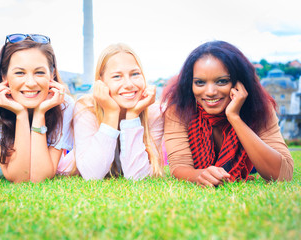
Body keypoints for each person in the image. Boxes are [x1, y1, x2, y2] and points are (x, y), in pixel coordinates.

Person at [163, 40, 294, 187]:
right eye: (200, 82)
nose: (210, 92)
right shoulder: (179, 110)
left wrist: (234, 117)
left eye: (221, 81)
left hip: (253, 165)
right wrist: (200, 175)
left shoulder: (259, 107)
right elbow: (179, 166)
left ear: (239, 82)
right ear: (190, 85)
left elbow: (284, 174)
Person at [0, 34, 74, 183]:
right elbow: (19, 177)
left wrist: (39, 114)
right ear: (4, 76)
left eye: (39, 72)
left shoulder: (64, 105)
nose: (30, 83)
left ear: (52, 74)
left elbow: (39, 177)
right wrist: (21, 115)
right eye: (19, 73)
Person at [62, 43, 164, 180]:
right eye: (117, 76)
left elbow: (138, 177)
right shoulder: (87, 107)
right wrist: (111, 113)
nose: (129, 84)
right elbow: (92, 175)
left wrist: (132, 116)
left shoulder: (153, 112)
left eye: (135, 74)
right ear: (101, 82)